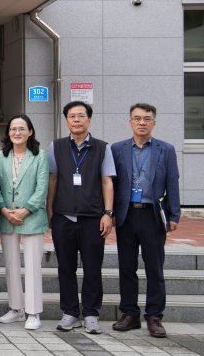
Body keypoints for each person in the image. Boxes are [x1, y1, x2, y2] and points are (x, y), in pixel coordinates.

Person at [111, 103, 181, 338]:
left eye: (147, 118)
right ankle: (130, 314)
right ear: (130, 121)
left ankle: (154, 316)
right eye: (137, 118)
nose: (142, 122)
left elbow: (172, 182)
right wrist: (110, 212)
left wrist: (174, 214)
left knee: (154, 268)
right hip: (126, 215)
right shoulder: (117, 149)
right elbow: (110, 183)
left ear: (154, 122)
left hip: (152, 215)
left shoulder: (166, 149)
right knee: (126, 267)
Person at [47, 101, 115, 334]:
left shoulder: (102, 148)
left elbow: (107, 181)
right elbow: (53, 179)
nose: (76, 120)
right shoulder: (56, 147)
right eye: (72, 116)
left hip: (93, 218)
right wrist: (49, 210)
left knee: (93, 267)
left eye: (81, 116)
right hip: (64, 217)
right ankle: (70, 312)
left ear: (89, 120)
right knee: (65, 267)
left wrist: (108, 213)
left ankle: (91, 314)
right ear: (66, 120)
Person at [0, 114, 49, 330]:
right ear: (8, 133)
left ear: (30, 132)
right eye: (13, 129)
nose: (17, 132)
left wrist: (25, 210)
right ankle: (16, 308)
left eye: (21, 128)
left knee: (33, 266)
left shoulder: (40, 156)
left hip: (32, 217)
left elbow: (42, 188)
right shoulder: (1, 156)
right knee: (11, 265)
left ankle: (33, 312)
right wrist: (4, 209)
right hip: (7, 217)